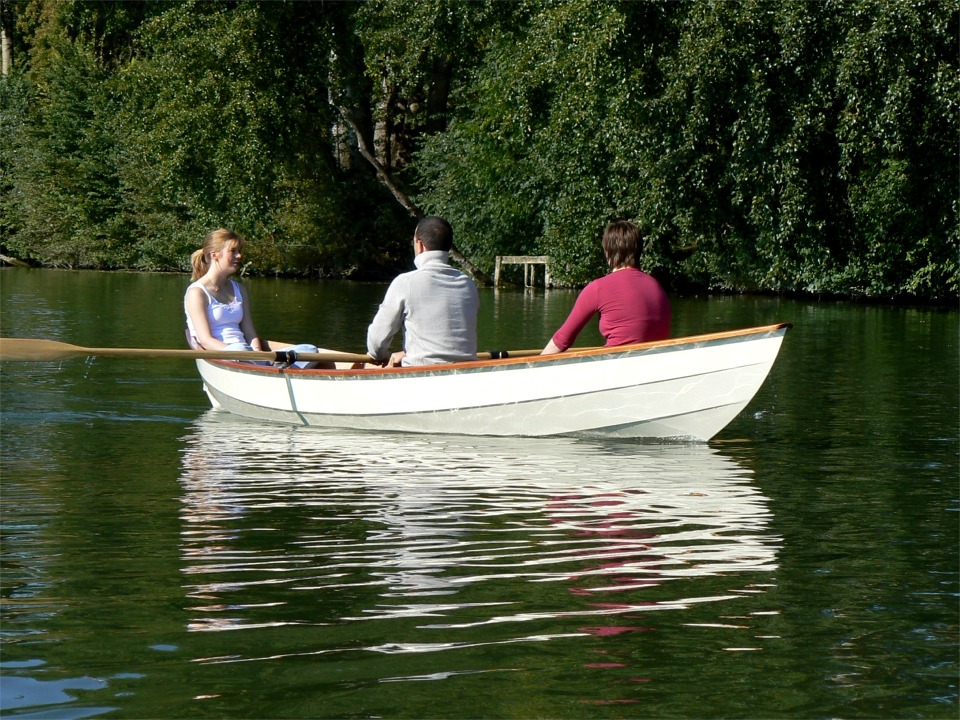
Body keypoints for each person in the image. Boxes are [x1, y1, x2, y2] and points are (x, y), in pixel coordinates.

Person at [184, 228, 323, 367]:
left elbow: (250, 333)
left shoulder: (240, 289)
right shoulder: (197, 292)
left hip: (247, 354)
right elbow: (205, 340)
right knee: (240, 348)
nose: (239, 256)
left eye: (239, 251)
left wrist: (257, 353)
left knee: (310, 350)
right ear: (215, 255)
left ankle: (269, 368)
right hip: (225, 353)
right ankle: (272, 368)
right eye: (233, 251)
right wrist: (241, 353)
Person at [542, 220, 670, 355]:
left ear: (609, 252)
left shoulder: (598, 288)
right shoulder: (657, 287)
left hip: (616, 366)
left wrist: (534, 366)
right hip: (653, 364)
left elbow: (562, 340)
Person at [367, 216, 480, 367]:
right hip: (465, 371)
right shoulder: (468, 284)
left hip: (420, 373)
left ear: (419, 245)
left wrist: (381, 356)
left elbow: (376, 344)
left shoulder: (405, 282)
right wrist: (408, 353)